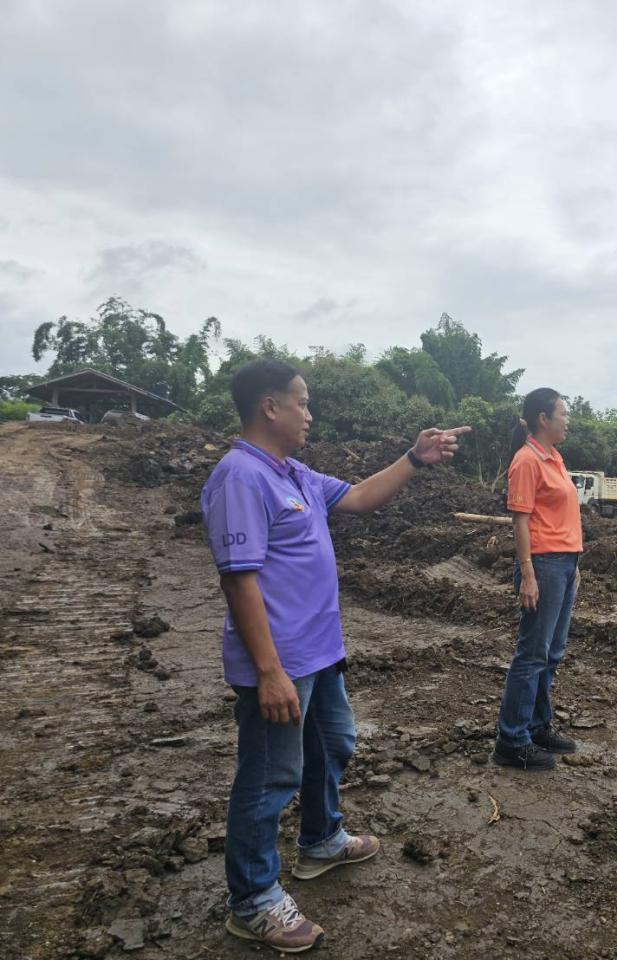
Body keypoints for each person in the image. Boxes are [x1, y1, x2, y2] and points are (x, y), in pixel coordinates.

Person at [201, 359, 469, 952]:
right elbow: (239, 582)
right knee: (270, 777)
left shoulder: (291, 473)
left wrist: (414, 458)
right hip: (281, 665)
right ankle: (253, 900)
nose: (309, 413)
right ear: (270, 407)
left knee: (334, 744)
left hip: (321, 655)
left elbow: (362, 498)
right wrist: (269, 673)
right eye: (301, 402)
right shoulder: (240, 478)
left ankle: (321, 841)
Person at [492, 388, 584, 771]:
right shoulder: (527, 461)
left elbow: (563, 517)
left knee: (552, 652)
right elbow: (521, 520)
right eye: (563, 413)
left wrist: (575, 565)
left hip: (563, 564)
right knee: (531, 655)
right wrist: (528, 573)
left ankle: (537, 725)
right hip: (543, 565)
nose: (568, 419)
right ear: (543, 419)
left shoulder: (555, 458)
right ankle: (511, 740)